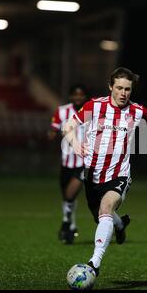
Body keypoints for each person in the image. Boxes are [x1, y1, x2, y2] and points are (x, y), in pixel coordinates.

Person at [62, 67, 147, 276]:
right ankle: (120, 225)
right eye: (119, 88)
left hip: (119, 174)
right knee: (101, 216)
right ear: (111, 86)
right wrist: (74, 143)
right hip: (92, 176)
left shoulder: (137, 111)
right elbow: (68, 126)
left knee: (106, 208)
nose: (123, 93)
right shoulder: (95, 106)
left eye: (127, 89)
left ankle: (94, 263)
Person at [49, 84, 88, 244]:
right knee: (66, 197)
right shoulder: (62, 111)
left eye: (81, 94)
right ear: (71, 96)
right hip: (66, 162)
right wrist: (51, 134)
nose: (78, 97)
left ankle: (65, 223)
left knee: (71, 194)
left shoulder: (90, 111)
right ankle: (71, 226)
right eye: (75, 95)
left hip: (83, 162)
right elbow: (54, 128)